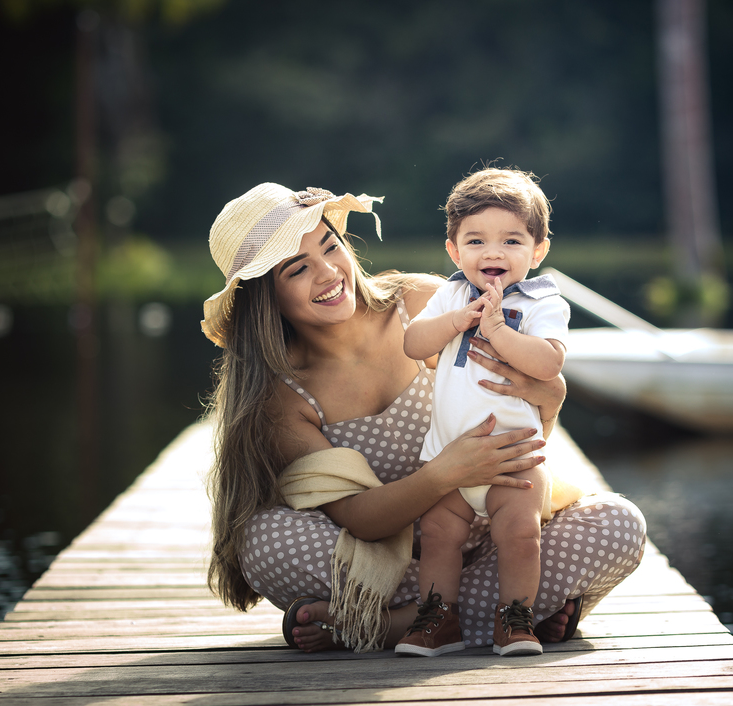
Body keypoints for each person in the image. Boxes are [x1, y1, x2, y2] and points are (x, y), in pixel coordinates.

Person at [200, 180, 647, 654]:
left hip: (500, 531)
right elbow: (359, 519)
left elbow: (517, 418)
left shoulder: (423, 302)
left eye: (332, 247)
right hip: (388, 561)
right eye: (297, 269)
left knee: (619, 523)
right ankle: (506, 610)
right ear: (263, 296)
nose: (329, 272)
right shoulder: (283, 396)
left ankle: (390, 622)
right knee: (265, 542)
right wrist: (444, 473)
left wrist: (551, 397)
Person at [397, 169, 570, 657]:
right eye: (476, 241)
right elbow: (414, 344)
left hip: (516, 460)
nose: (493, 252)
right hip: (449, 459)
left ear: (538, 251)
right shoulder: (452, 294)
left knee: (520, 534)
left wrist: (498, 331)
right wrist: (457, 321)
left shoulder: (541, 300)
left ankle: (514, 619)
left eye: (511, 240)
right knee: (437, 535)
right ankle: (439, 619)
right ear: (454, 251)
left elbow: (549, 362)